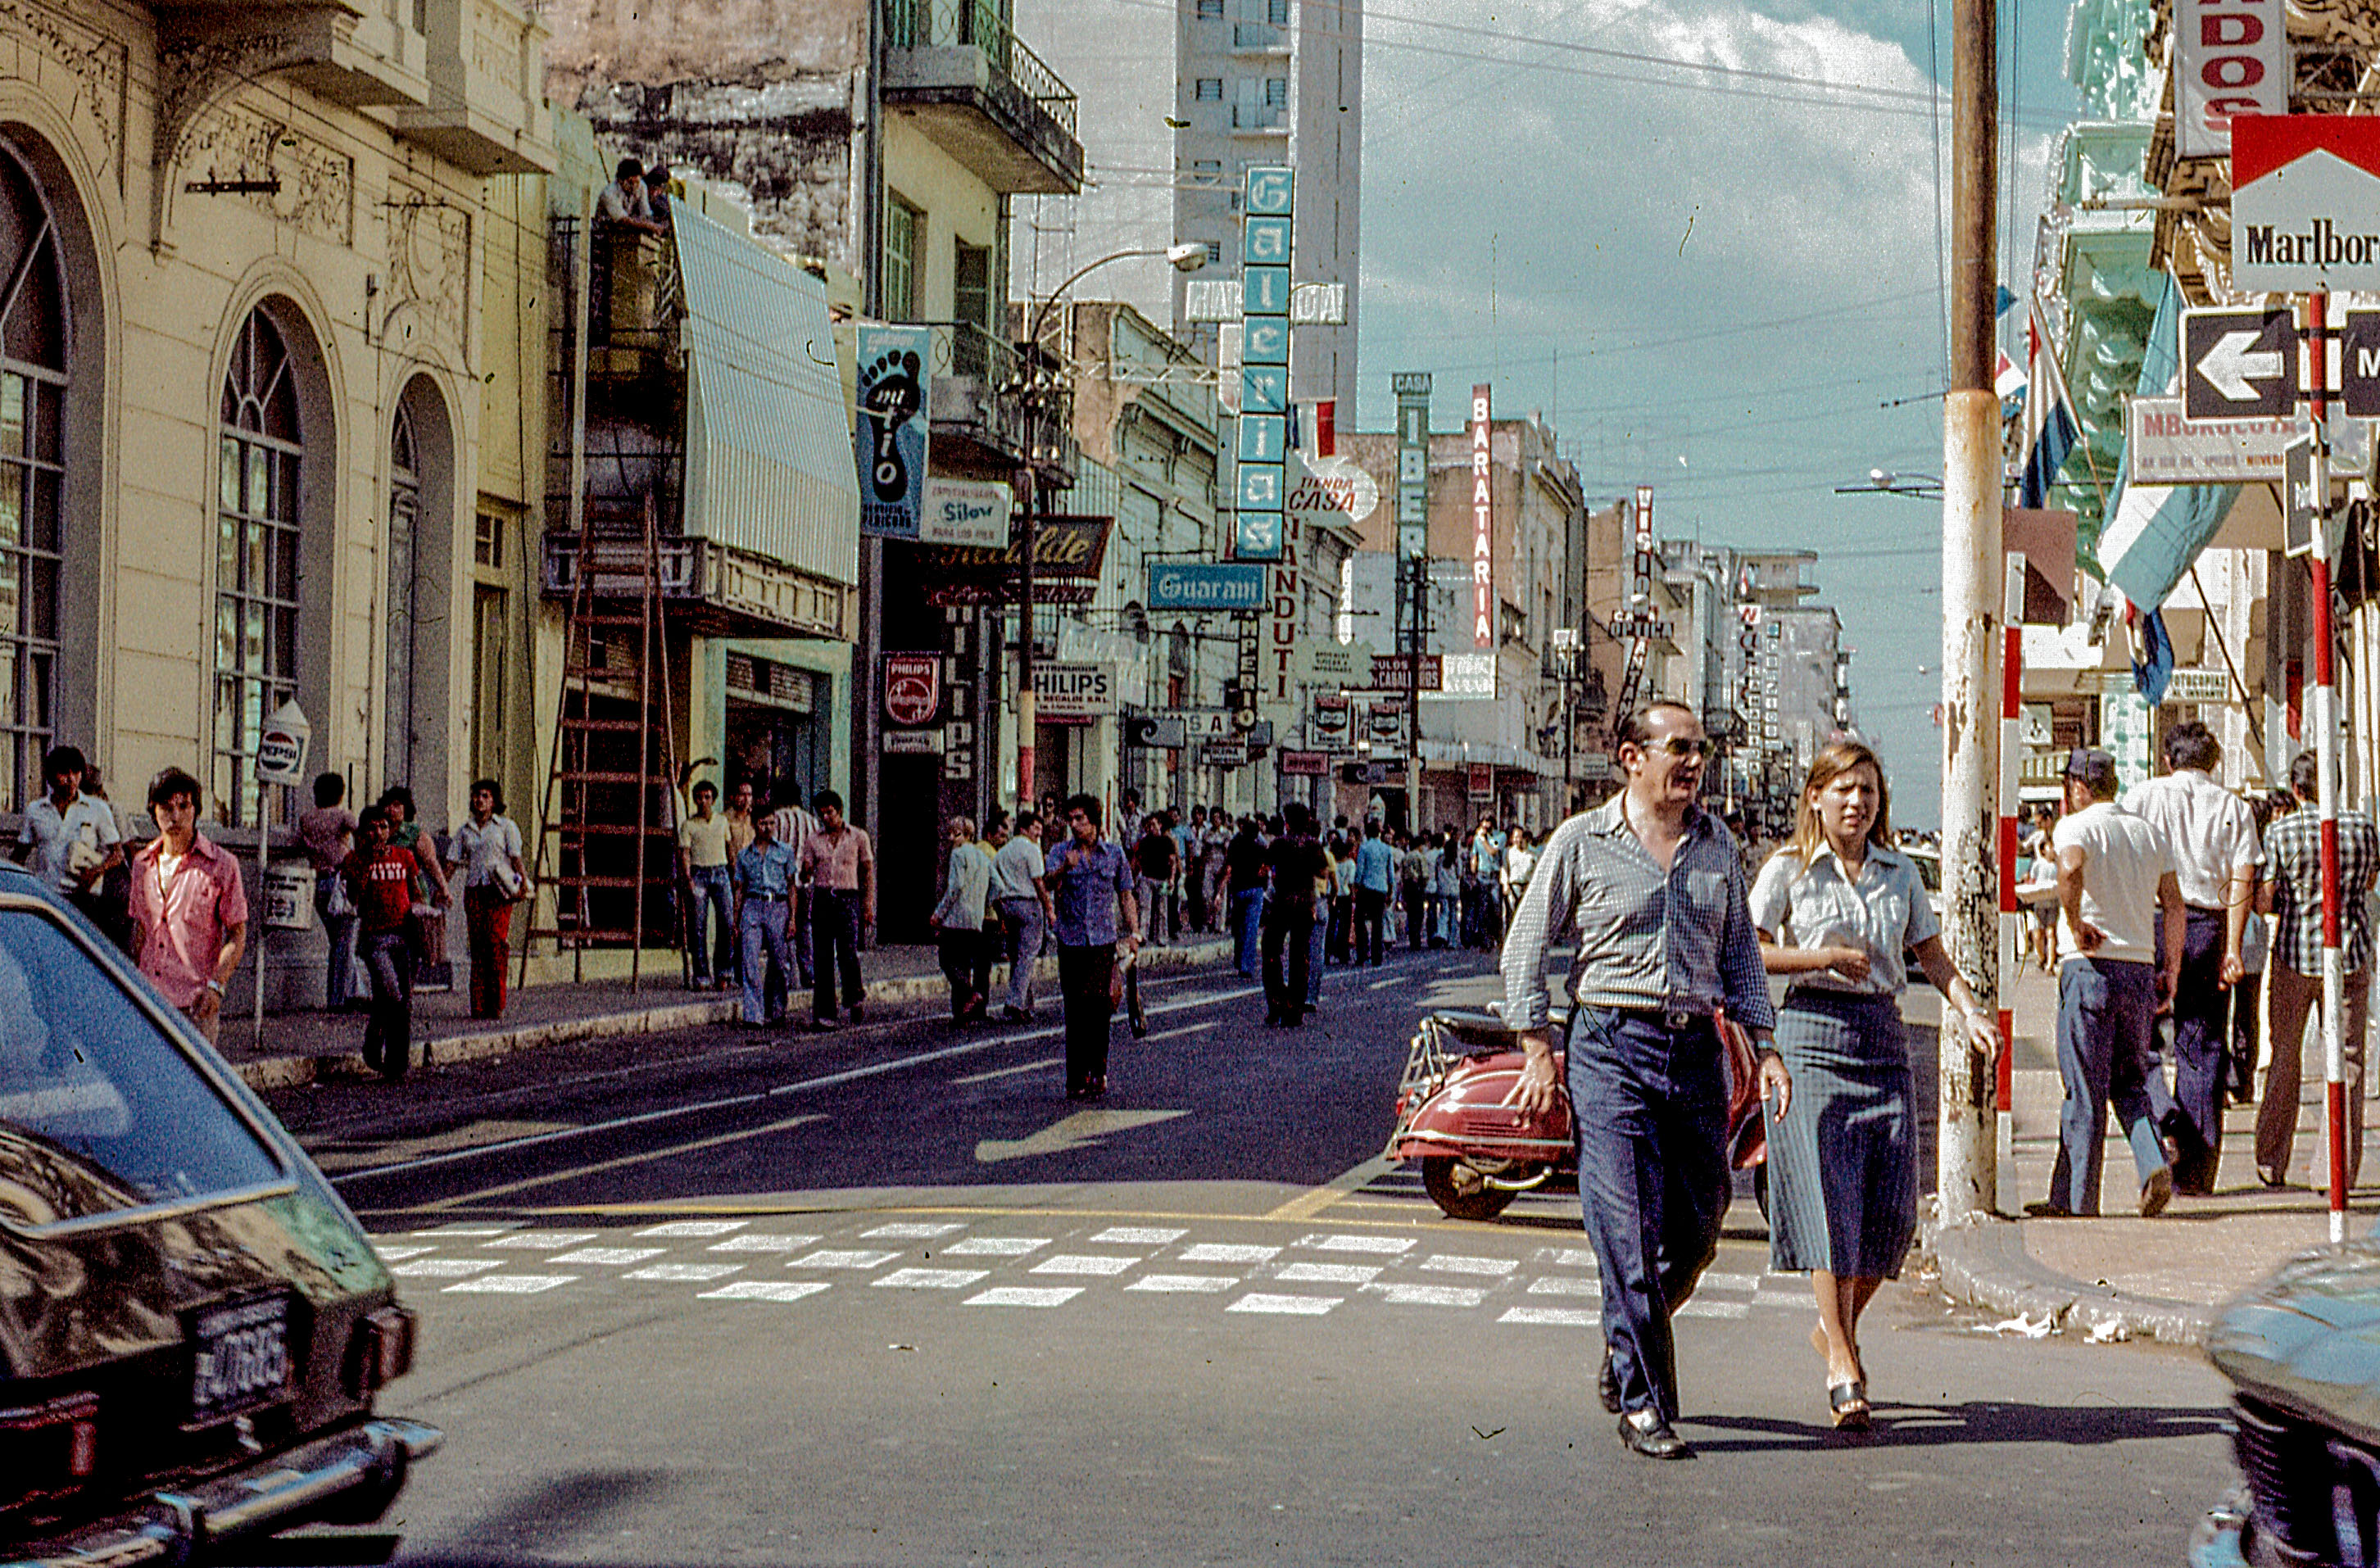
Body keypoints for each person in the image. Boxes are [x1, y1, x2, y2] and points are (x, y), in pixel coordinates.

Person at [1504, 702, 1788, 1462]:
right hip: (1609, 1046)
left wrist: (1764, 1045)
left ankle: (1623, 1346)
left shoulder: (1716, 844)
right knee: (1622, 1230)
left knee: (1698, 1230)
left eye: (1701, 749)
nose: (1694, 762)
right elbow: (1525, 946)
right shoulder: (1580, 842)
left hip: (1696, 1050)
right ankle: (1644, 1407)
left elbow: (1741, 959)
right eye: (1678, 748)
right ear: (1631, 757)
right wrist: (1536, 1045)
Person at [1750, 742, 1998, 1430]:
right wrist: (1821, 955)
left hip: (1882, 1040)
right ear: (1815, 799)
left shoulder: (1900, 874)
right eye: (1843, 790)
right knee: (1830, 1206)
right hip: (1810, 1037)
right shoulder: (1787, 870)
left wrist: (1971, 1011)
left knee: (1890, 1216)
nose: (1857, 802)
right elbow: (1748, 950)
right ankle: (1842, 1365)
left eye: (1868, 791)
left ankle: (1834, 1332)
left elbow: (1933, 956)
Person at [2032, 748, 2186, 1220]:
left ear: (2078, 786)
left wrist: (2075, 922)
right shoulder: (2147, 832)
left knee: (2083, 1090)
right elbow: (2174, 905)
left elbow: (2071, 868)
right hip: (2139, 970)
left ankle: (2077, 1202)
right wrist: (2171, 969)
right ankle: (2153, 1159)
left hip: (2090, 969)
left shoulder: (2075, 826)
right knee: (2130, 1081)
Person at [2120, 720, 2259, 1194]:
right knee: (2203, 1047)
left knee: (2144, 1037)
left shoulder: (2142, 798)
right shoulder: (2234, 807)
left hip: (2152, 922)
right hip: (2209, 926)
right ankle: (2195, 1176)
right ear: (2214, 763)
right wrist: (2234, 949)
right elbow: (2243, 880)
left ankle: (2165, 1122)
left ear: (2168, 760)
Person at [2254, 750, 2380, 1190]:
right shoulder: (2364, 828)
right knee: (2347, 1060)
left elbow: (2266, 899)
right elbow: (2368, 883)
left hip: (2293, 955)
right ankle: (2337, 1166)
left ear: (2296, 788)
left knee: (2285, 1056)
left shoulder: (2280, 831)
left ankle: (2272, 1158)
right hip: (2351, 954)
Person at [128, 768, 247, 1045]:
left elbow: (237, 934)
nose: (176, 816)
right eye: (166, 807)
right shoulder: (142, 864)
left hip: (195, 1005)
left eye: (184, 806)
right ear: (153, 810)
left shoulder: (222, 865)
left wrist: (217, 986)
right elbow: (140, 930)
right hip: (148, 1001)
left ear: (196, 809)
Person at [1045, 794, 1139, 1098]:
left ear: (1094, 821)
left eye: (1079, 819)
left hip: (1101, 941)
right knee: (1074, 1009)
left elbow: (1125, 894)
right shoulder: (1060, 852)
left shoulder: (1113, 855)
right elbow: (1046, 883)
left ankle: (1098, 1071)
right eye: (1070, 819)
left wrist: (1134, 932)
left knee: (1099, 1009)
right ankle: (1076, 1077)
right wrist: (1063, 870)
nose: (1073, 825)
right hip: (1071, 940)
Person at [342, 805, 419, 1079]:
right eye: (373, 828)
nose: (378, 833)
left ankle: (396, 1062)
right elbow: (353, 898)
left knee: (398, 999)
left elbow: (415, 891)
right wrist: (367, 864)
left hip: (403, 935)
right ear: (364, 832)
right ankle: (374, 1044)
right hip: (375, 938)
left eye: (384, 827)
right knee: (392, 994)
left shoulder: (404, 857)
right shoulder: (354, 859)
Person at [16, 745, 123, 936]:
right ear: (50, 777)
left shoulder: (97, 809)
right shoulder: (35, 810)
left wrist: (95, 872)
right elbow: (20, 855)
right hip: (47, 897)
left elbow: (118, 853)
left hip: (85, 899)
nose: (71, 779)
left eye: (76, 772)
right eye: (64, 773)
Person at [447, 779, 527, 1021]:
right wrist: (441, 887)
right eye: (476, 796)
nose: (479, 800)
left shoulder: (505, 827)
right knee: (478, 947)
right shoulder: (465, 830)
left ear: (494, 801)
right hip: (475, 891)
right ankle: (478, 1005)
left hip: (498, 891)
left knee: (495, 943)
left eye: (485, 796)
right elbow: (451, 861)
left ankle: (497, 1002)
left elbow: (515, 859)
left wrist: (522, 884)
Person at [799, 790, 873, 1029]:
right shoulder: (813, 840)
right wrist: (806, 870)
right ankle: (825, 1012)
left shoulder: (858, 837)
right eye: (822, 814)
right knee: (822, 956)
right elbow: (806, 870)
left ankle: (854, 996)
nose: (827, 817)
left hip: (847, 897)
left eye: (830, 812)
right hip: (822, 898)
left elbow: (867, 873)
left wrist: (867, 904)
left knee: (847, 952)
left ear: (839, 811)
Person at [1260, 803, 1326, 1027]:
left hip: (1282, 902)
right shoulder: (1314, 845)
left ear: (1287, 822)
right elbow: (1323, 872)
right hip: (1305, 904)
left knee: (1271, 951)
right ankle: (1295, 1008)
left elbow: (1263, 868)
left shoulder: (1279, 843)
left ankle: (1277, 1002)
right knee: (1301, 956)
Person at [377, 786, 451, 986]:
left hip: (412, 896)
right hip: (385, 896)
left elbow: (431, 863)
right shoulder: (379, 831)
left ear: (406, 808)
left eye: (397, 805)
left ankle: (405, 988)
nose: (392, 809)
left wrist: (444, 889)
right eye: (389, 805)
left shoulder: (414, 834)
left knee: (410, 946)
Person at [297, 771, 359, 1010]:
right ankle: (337, 999)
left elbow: (300, 841)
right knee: (342, 943)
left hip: (319, 883)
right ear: (341, 793)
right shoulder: (342, 815)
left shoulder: (307, 819)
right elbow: (360, 830)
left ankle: (353, 991)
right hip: (340, 882)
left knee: (338, 941)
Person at [732, 808, 797, 1027]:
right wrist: (736, 919)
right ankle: (753, 1014)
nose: (767, 828)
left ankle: (777, 1009)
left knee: (779, 961)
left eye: (770, 823)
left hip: (777, 906)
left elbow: (791, 887)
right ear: (754, 825)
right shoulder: (744, 855)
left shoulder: (785, 852)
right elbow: (739, 888)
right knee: (750, 959)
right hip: (752, 905)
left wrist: (792, 918)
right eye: (762, 823)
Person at [991, 808, 1055, 1021]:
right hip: (1029, 904)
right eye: (1035, 828)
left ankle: (1026, 1005)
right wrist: (1049, 908)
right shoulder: (1031, 850)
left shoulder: (1003, 851)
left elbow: (995, 878)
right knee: (1028, 955)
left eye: (1040, 829)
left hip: (1007, 904)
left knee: (1017, 956)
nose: (1039, 833)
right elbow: (1038, 881)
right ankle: (1015, 1002)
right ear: (1023, 829)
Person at [930, 815, 995, 1022]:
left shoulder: (958, 855)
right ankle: (962, 1012)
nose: (951, 838)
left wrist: (939, 913)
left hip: (956, 917)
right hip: (976, 918)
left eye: (955, 833)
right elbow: (998, 886)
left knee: (948, 960)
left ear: (966, 835)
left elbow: (955, 886)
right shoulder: (983, 857)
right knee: (964, 962)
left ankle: (969, 994)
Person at [677, 780, 735, 991]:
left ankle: (724, 972)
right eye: (699, 797)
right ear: (694, 800)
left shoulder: (722, 821)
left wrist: (734, 874)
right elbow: (685, 852)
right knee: (698, 925)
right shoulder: (689, 825)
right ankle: (701, 975)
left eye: (707, 797)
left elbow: (730, 849)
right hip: (699, 873)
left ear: (714, 798)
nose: (703, 802)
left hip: (720, 873)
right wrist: (688, 879)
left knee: (726, 922)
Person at [1222, 815, 1268, 979]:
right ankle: (1246, 965)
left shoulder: (1235, 845)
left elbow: (1229, 865)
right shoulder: (1261, 848)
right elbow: (1265, 869)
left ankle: (1239, 958)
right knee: (1252, 928)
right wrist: (1264, 884)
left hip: (1239, 889)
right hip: (1255, 889)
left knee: (1239, 926)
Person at [1352, 819, 1394, 966]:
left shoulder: (1364, 848)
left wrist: (1356, 886)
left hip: (1366, 887)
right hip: (1381, 888)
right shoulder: (1386, 849)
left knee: (1359, 919)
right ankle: (1377, 956)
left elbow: (1360, 869)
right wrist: (1390, 890)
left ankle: (1362, 953)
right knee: (1378, 923)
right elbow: (1390, 873)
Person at [1132, 813, 1177, 949]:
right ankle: (1143, 935)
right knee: (1145, 908)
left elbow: (1172, 861)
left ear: (1160, 825)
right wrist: (1134, 878)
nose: (1151, 827)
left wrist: (1172, 878)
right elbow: (1136, 860)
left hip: (1162, 879)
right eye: (1150, 825)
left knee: (1162, 910)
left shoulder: (1167, 841)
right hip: (1147, 878)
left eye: (1154, 824)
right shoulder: (1144, 842)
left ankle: (1162, 937)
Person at [597, 156, 664, 236]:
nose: (635, 186)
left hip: (625, 233)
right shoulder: (609, 193)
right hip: (605, 232)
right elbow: (623, 220)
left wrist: (653, 225)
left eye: (637, 182)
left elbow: (646, 213)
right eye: (631, 183)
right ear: (621, 181)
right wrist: (647, 225)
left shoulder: (641, 187)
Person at [1399, 830, 1432, 953]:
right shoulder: (1420, 856)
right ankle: (1417, 940)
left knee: (1411, 914)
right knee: (1419, 914)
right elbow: (1424, 875)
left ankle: (1412, 939)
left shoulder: (1406, 857)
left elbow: (1403, 875)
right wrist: (1423, 886)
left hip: (1408, 887)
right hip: (1417, 887)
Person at [1501, 825, 1537, 927]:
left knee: (1525, 917)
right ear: (1512, 838)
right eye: (1516, 837)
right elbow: (1504, 868)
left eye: (1520, 837)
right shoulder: (1508, 852)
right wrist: (1505, 884)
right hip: (1513, 887)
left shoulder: (1532, 854)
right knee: (1511, 916)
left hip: (1527, 887)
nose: (1519, 840)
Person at [1431, 829, 1462, 948]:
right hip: (1453, 888)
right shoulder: (1456, 860)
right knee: (1454, 915)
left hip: (1442, 888)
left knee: (1444, 912)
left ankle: (1441, 933)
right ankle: (1452, 941)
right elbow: (1459, 873)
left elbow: (1436, 873)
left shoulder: (1440, 858)